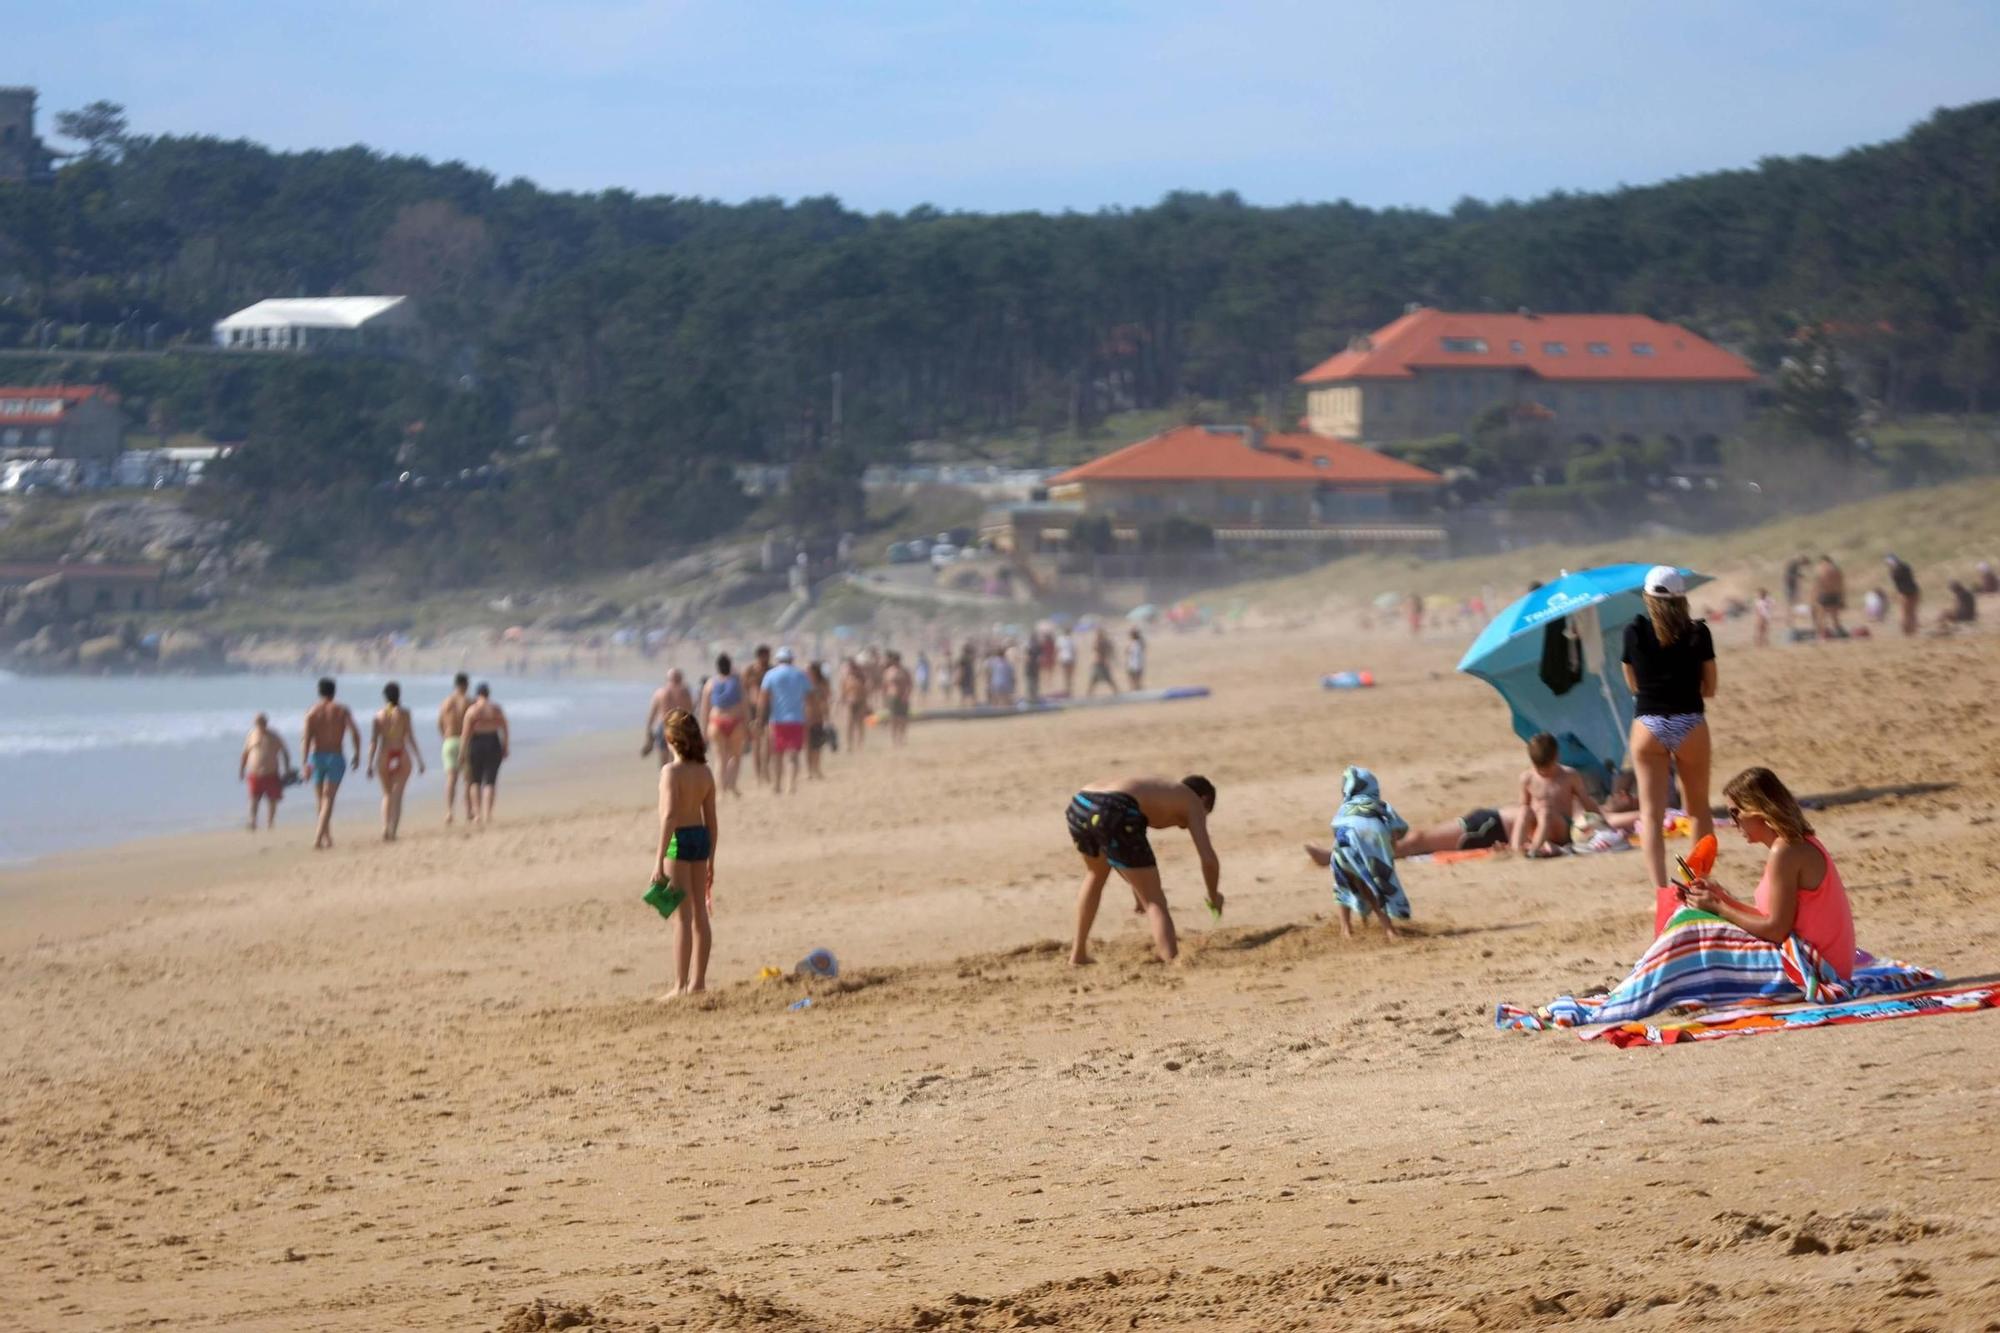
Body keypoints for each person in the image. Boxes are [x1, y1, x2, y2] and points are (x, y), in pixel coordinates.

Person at [1683, 767, 1855, 980]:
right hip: (1821, 962)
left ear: (1758, 809)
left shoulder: (1785, 850)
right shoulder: (1794, 844)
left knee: (1694, 936)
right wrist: (1721, 899)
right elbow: (1771, 919)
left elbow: (1775, 930)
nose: (1732, 822)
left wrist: (1719, 908)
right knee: (1697, 928)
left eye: (1735, 812)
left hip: (1817, 969)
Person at [1622, 566, 1717, 895]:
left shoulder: (1633, 632)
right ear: (1682, 599)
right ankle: (1695, 884)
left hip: (1648, 723)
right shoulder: (1698, 633)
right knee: (1698, 811)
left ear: (1648, 598)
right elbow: (1711, 687)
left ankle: (1661, 892)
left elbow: (1632, 683)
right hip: (1689, 720)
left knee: (1650, 815)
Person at [1065, 775, 1221, 966]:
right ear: (1204, 800)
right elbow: (1209, 860)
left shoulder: (1160, 792)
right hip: (1115, 807)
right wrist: (1214, 896)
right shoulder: (1193, 801)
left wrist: (1137, 890)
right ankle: (1172, 961)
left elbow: (1123, 852)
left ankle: (1078, 955)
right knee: (1155, 901)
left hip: (1081, 803)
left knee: (1095, 875)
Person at [651, 709, 718, 999]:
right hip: (700, 838)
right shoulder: (704, 773)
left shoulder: (670, 772)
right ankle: (698, 982)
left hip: (678, 840)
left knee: (682, 917)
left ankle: (680, 985)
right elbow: (712, 822)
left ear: (671, 739)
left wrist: (658, 860)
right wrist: (711, 859)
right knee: (701, 914)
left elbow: (668, 816)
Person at [1323, 767, 1411, 939]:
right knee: (1374, 887)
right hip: (1371, 848)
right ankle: (1389, 930)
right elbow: (1397, 831)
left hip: (1343, 848)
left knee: (1343, 884)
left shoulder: (1345, 807)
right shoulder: (1382, 806)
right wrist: (1389, 852)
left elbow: (1336, 830)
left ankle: (1346, 929)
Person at [1510, 732, 1606, 856]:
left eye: (1546, 767)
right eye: (1538, 767)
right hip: (1537, 828)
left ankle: (1534, 851)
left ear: (1556, 757)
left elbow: (1586, 801)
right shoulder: (1527, 778)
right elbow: (1524, 808)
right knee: (1524, 811)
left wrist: (1603, 823)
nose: (1542, 771)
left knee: (1545, 812)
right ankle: (1515, 849)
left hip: (1561, 828)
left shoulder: (1569, 775)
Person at [301, 677, 362, 851]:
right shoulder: (342, 710)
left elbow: (306, 739)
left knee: (321, 799)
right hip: (335, 757)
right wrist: (357, 754)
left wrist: (305, 762)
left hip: (316, 757)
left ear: (319, 692)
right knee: (328, 799)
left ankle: (326, 837)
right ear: (334, 692)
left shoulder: (311, 712)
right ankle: (319, 838)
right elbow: (355, 733)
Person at [367, 681, 427, 842]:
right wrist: (420, 759)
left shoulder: (378, 716)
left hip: (384, 754)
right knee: (398, 795)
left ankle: (385, 827)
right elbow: (410, 737)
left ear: (384, 696)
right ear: (399, 695)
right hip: (401, 753)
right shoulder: (405, 714)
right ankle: (393, 830)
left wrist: (369, 763)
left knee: (387, 794)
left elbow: (373, 741)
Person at [760, 647, 811, 794]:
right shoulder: (800, 674)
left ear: (777, 660)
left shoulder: (770, 675)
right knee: (793, 754)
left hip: (777, 720)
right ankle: (791, 785)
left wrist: (760, 717)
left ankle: (777, 785)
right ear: (792, 660)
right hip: (796, 719)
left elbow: (763, 698)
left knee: (777, 754)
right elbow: (809, 696)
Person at [460, 683, 510, 825]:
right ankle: (488, 814)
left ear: (477, 694)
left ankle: (477, 814)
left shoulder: (472, 710)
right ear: (488, 694)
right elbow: (505, 728)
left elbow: (465, 734)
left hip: (476, 743)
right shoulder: (496, 709)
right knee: (490, 781)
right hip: (493, 742)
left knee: (475, 781)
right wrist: (505, 746)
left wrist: (462, 752)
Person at [700, 654, 748, 796]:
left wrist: (703, 731)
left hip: (716, 722)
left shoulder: (710, 683)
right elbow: (744, 706)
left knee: (720, 759)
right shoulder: (738, 683)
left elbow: (704, 709)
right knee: (736, 756)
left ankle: (721, 791)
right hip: (735, 721)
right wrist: (748, 724)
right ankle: (732, 785)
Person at [239, 712, 292, 832]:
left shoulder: (274, 736)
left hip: (271, 773)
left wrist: (287, 768)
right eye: (258, 723)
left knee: (272, 800)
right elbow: (245, 754)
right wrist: (241, 770)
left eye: (262, 722)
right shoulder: (251, 735)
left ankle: (270, 822)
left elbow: (285, 752)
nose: (260, 725)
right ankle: (253, 821)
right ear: (255, 724)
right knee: (253, 799)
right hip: (254, 773)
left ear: (266, 723)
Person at [437, 673, 474, 824]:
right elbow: (473, 724)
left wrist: (445, 738)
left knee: (451, 779)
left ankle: (449, 812)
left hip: (449, 741)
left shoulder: (446, 702)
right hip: (465, 741)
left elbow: (439, 723)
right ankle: (469, 812)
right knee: (468, 780)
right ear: (466, 685)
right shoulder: (469, 701)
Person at [641, 668, 696, 766]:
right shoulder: (685, 692)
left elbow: (652, 715)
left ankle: (664, 778)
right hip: (680, 725)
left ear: (667, 679)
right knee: (676, 759)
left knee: (664, 760)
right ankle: (674, 779)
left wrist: (648, 733)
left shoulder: (660, 692)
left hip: (664, 725)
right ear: (681, 678)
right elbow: (690, 711)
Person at [744, 644, 773, 786]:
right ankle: (758, 776)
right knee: (756, 744)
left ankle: (766, 771)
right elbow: (744, 691)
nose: (766, 658)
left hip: (769, 709)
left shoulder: (771, 670)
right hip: (753, 709)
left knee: (768, 743)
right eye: (765, 656)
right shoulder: (750, 671)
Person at [805, 660, 834, 779]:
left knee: (817, 745)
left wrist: (827, 717)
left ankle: (817, 769)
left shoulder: (822, 684)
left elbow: (826, 700)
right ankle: (809, 771)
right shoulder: (804, 684)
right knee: (808, 746)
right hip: (807, 718)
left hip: (818, 718)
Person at [881, 650, 913, 744]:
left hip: (903, 697)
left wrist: (906, 695)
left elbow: (909, 684)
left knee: (903, 719)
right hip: (892, 697)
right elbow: (885, 686)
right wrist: (885, 699)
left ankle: (902, 738)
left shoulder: (904, 671)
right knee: (893, 719)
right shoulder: (888, 672)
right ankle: (894, 739)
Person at [839, 657, 871, 751]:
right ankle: (849, 745)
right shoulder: (845, 679)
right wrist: (841, 703)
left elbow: (866, 690)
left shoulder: (861, 678)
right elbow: (842, 692)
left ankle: (860, 743)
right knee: (849, 724)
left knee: (860, 724)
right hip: (850, 704)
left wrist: (865, 703)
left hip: (860, 702)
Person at [1811, 554, 1846, 639]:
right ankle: (1839, 634)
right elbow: (1841, 585)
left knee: (1821, 616)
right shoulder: (1837, 569)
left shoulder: (1820, 569)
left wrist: (1815, 596)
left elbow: (1818, 584)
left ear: (1823, 561)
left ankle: (1822, 635)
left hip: (1824, 594)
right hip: (1835, 594)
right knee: (1835, 617)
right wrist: (1842, 597)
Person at [1886, 554, 1920, 637]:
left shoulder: (1896, 571)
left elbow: (1896, 580)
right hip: (1913, 591)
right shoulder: (1905, 567)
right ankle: (1912, 631)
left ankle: (1907, 632)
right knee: (1912, 613)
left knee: (1906, 614)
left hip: (1905, 593)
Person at [1088, 628, 1118, 695]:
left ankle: (1117, 693)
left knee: (1108, 679)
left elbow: (1109, 651)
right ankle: (1089, 694)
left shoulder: (1103, 642)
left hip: (1102, 663)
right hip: (1098, 663)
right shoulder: (1099, 642)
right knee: (1093, 680)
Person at [1125, 627, 1147, 691]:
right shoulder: (1140, 643)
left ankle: (1136, 694)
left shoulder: (1134, 644)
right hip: (1139, 665)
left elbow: (1128, 652)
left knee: (1133, 682)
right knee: (1137, 682)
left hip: (1133, 665)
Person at [1056, 629, 1077, 696]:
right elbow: (1074, 651)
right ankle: (1068, 689)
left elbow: (1058, 650)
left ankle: (1068, 689)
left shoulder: (1061, 639)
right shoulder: (1069, 640)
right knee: (1068, 676)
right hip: (1068, 659)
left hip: (1065, 659)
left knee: (1066, 675)